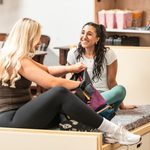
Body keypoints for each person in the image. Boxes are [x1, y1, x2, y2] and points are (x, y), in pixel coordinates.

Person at [0, 18, 141, 145]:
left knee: (65, 111)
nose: (38, 42)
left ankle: (104, 133)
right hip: (11, 119)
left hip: (20, 114)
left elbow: (47, 70)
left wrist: (71, 68)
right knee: (59, 92)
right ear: (29, 37)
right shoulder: (19, 60)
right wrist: (82, 86)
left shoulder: (17, 57)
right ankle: (114, 131)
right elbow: (51, 83)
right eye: (37, 38)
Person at [67, 22, 137, 111]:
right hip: (84, 96)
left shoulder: (108, 53)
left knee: (120, 90)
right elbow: (72, 81)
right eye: (83, 32)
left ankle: (90, 109)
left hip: (105, 96)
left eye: (89, 34)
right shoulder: (73, 54)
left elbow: (112, 82)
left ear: (97, 39)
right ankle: (93, 109)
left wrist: (122, 106)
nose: (84, 37)